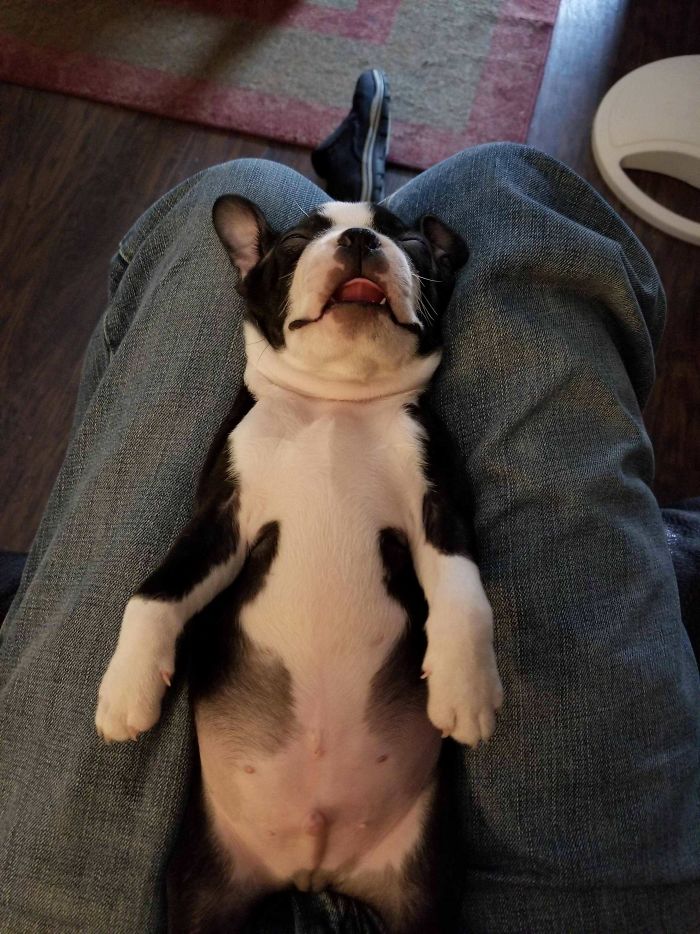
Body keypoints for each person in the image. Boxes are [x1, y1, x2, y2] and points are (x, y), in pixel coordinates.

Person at [0, 125, 698, 931]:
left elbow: (447, 538)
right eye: (305, 247)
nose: (357, 246)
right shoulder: (257, 426)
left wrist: (463, 630)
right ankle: (362, 170)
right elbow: (206, 545)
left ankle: (354, 174)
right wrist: (144, 630)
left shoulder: (407, 429)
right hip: (288, 836)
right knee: (507, 183)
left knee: (251, 180)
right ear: (253, 280)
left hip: (369, 835)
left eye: (393, 246)